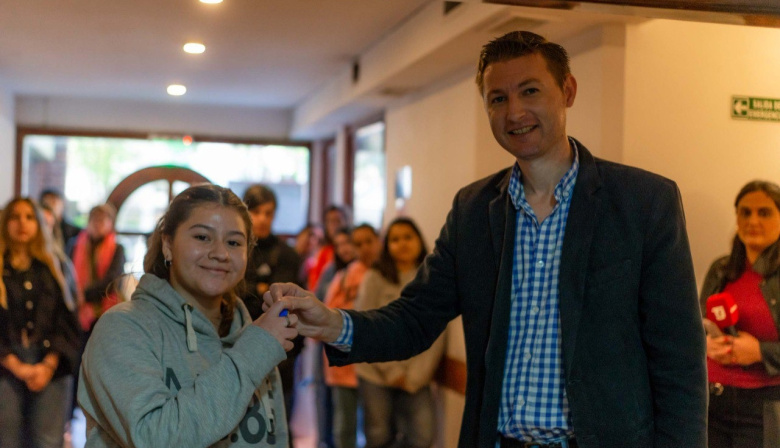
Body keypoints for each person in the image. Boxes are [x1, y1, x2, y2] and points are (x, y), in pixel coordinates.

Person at [265, 30, 707, 447]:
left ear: (568, 91)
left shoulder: (643, 202)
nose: (514, 112)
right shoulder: (474, 210)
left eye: (530, 91)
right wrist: (333, 323)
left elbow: (680, 364)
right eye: (498, 98)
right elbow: (415, 317)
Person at [77, 184, 298, 447]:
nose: (220, 253)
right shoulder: (123, 328)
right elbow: (154, 439)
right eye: (202, 237)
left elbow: (273, 438)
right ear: (168, 245)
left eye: (234, 242)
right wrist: (254, 352)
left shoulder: (251, 335)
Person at [701, 180, 780, 447]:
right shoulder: (720, 269)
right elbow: (696, 325)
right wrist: (707, 344)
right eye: (745, 212)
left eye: (764, 212)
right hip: (712, 402)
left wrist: (760, 352)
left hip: (764, 410)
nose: (752, 220)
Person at [354, 218, 444, 448]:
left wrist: (415, 376)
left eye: (408, 237)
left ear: (419, 240)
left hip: (417, 375)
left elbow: (437, 331)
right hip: (375, 371)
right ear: (387, 246)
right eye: (395, 239)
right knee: (379, 435)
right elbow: (365, 327)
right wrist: (392, 371)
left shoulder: (433, 278)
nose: (402, 243)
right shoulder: (374, 277)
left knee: (423, 435)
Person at [0, 197, 81, 448]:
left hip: (51, 365)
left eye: (29, 217)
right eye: (15, 217)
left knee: (46, 441)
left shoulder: (54, 268)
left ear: (39, 224)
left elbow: (66, 323)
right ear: (5, 223)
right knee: (7, 439)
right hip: (5, 364)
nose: (22, 223)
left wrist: (47, 365)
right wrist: (17, 367)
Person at [241, 184, 303, 438]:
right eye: (256, 212)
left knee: (279, 424)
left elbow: (282, 303)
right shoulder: (236, 250)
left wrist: (257, 290)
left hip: (280, 353)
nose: (263, 219)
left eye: (268, 213)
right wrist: (259, 289)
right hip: (240, 346)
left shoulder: (287, 254)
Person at [323, 225, 379, 448]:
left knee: (376, 427)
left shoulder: (385, 274)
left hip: (377, 364)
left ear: (378, 241)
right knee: (345, 425)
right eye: (358, 243)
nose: (364, 248)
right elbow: (328, 314)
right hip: (345, 364)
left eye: (369, 241)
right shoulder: (344, 276)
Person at [67, 203, 126, 331]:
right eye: (94, 219)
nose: (98, 224)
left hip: (106, 310)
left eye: (102, 220)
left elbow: (112, 280)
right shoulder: (75, 245)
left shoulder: (117, 249)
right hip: (77, 308)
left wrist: (85, 295)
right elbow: (67, 275)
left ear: (110, 223)